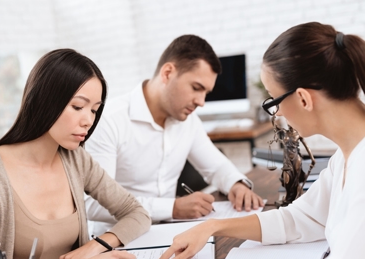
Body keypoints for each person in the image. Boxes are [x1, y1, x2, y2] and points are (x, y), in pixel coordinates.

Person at [149, 22, 365, 259]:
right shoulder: (344, 157)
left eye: (273, 100)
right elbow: (301, 218)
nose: (276, 112)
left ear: (302, 98)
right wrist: (213, 227)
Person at [0, 49, 151, 259]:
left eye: (94, 110)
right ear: (44, 100)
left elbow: (137, 213)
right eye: (78, 107)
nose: (88, 121)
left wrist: (96, 246)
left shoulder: (76, 159)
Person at [85, 35, 263, 235]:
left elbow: (216, 167)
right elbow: (93, 204)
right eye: (196, 88)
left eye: (206, 93)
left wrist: (236, 184)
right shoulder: (108, 120)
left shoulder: (188, 121)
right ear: (168, 73)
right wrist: (172, 208)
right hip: (116, 241)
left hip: (169, 232)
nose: (201, 102)